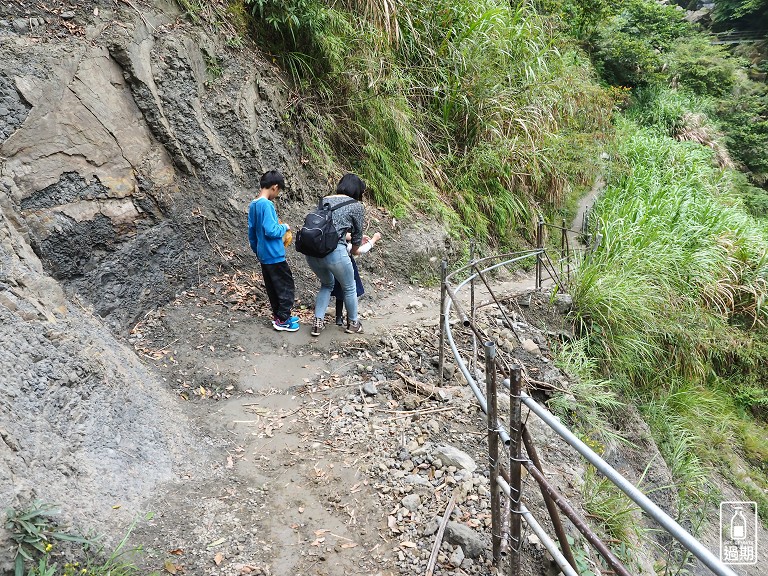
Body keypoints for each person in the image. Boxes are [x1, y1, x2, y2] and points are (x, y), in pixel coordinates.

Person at [304, 173, 367, 337]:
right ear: (357, 191)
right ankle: (353, 323)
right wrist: (354, 251)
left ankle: (317, 323)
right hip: (335, 253)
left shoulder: (324, 200)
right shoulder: (356, 206)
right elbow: (357, 237)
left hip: (313, 252)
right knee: (349, 286)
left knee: (327, 285)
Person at [248, 170, 299, 332]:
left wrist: (257, 250)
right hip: (275, 255)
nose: (277, 195)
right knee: (286, 287)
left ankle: (279, 316)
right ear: (275, 187)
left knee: (273, 288)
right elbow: (271, 230)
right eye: (278, 191)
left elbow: (252, 232)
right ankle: (283, 320)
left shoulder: (253, 204)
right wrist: (284, 227)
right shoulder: (267, 205)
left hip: (264, 255)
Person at [332, 232, 382, 326]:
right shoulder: (343, 246)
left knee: (340, 291)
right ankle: (350, 318)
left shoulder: (334, 237)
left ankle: (339, 317)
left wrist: (358, 239)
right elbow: (358, 250)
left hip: (335, 264)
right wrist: (373, 240)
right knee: (350, 292)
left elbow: (343, 235)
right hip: (347, 264)